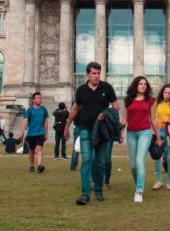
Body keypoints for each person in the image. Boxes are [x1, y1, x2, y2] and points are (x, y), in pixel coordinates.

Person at [63, 62, 118, 205]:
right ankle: (85, 193)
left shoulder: (107, 88)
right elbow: (75, 109)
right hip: (85, 130)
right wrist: (67, 126)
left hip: (101, 131)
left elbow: (116, 107)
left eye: (98, 73)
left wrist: (106, 114)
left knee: (100, 163)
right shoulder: (81, 90)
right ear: (87, 74)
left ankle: (98, 190)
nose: (96, 76)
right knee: (87, 161)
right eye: (94, 73)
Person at [121, 76, 156, 203]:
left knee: (140, 161)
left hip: (145, 133)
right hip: (131, 133)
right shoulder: (127, 100)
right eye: (141, 84)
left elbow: (153, 120)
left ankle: (139, 191)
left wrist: (157, 136)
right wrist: (120, 132)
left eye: (145, 84)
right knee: (133, 166)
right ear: (135, 85)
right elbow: (124, 119)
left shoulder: (151, 100)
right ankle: (138, 185)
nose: (143, 86)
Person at [18, 92, 49, 173]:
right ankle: (32, 165)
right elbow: (25, 121)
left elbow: (45, 122)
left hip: (40, 133)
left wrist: (46, 133)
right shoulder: (29, 110)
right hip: (31, 134)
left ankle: (39, 165)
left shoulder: (44, 109)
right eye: (38, 98)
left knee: (39, 149)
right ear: (33, 100)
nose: (40, 100)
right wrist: (21, 133)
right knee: (31, 151)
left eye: (41, 98)